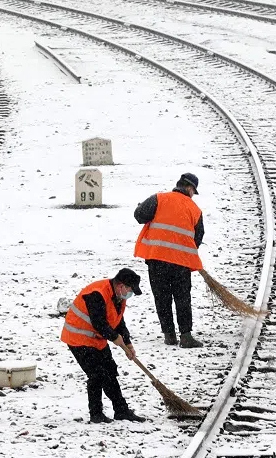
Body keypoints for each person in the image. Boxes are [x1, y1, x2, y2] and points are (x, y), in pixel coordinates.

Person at [61, 268, 146, 424]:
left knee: (110, 372)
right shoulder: (97, 294)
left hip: (97, 339)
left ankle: (121, 410)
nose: (130, 294)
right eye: (130, 290)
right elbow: (99, 322)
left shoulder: (119, 297)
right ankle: (96, 414)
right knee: (97, 375)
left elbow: (118, 321)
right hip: (78, 338)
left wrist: (127, 342)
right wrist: (114, 337)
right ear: (120, 285)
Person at [133, 173, 205, 348]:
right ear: (189, 188)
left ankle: (169, 335)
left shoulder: (158, 198)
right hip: (180, 263)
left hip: (156, 259)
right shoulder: (195, 210)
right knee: (182, 297)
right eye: (193, 192)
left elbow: (139, 216)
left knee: (162, 297)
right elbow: (198, 236)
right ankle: (186, 336)